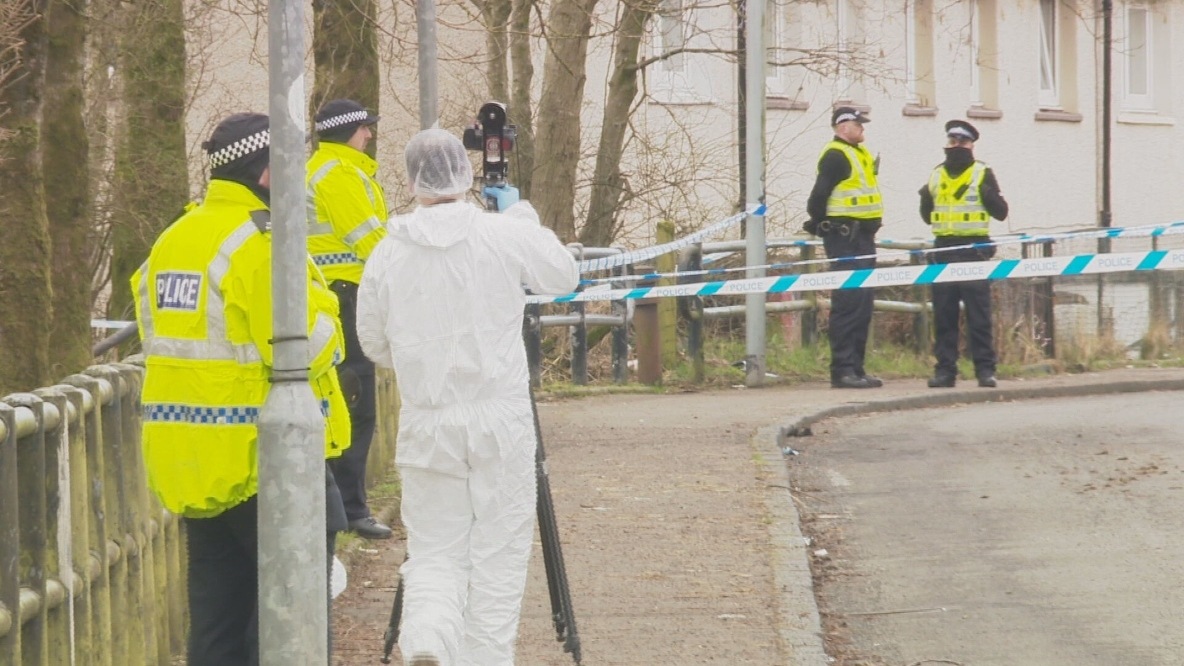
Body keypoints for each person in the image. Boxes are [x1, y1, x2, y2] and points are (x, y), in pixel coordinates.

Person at [132, 113, 351, 666]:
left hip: (191, 461)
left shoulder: (174, 239)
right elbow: (301, 347)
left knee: (216, 620)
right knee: (288, 619)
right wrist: (327, 305)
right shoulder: (258, 243)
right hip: (267, 460)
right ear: (267, 172)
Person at [356, 128, 579, 666]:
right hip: (499, 417)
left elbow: (373, 343)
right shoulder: (499, 234)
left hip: (428, 421)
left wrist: (419, 357)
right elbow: (564, 275)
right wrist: (520, 214)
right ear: (468, 175)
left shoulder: (387, 253)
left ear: (411, 182)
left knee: (435, 552)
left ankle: (429, 637)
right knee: (498, 558)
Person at [307, 98, 393, 539]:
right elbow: (371, 241)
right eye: (365, 129)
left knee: (342, 401)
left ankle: (344, 507)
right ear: (350, 132)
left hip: (335, 294)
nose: (370, 136)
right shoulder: (338, 175)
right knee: (355, 404)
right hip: (345, 296)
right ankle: (351, 510)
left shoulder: (326, 170)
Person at [919, 119, 1009, 388]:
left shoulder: (983, 173)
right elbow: (927, 216)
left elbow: (1001, 212)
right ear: (947, 143)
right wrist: (924, 200)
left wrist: (988, 195)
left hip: (973, 251)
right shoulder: (935, 174)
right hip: (944, 250)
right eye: (953, 141)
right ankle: (945, 371)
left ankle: (985, 370)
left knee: (978, 316)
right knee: (943, 316)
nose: (957, 146)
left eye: (963, 142)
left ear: (971, 145)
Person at [804, 106, 884, 389]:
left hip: (862, 238)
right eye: (858, 123)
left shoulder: (859, 154)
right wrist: (821, 223)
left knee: (863, 304)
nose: (863, 128)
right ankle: (842, 371)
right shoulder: (836, 156)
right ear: (842, 127)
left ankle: (857, 368)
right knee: (849, 303)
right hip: (844, 238)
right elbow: (817, 199)